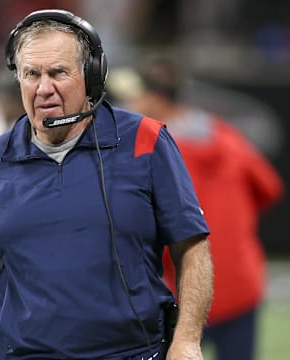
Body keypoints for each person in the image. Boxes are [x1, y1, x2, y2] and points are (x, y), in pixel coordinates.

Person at [0, 10, 213, 360]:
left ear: (91, 77)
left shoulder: (146, 141)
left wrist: (186, 340)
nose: (43, 88)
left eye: (58, 72)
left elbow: (193, 247)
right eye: (31, 74)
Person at [111, 55, 285, 360]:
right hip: (242, 280)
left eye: (134, 94)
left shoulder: (148, 155)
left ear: (156, 98)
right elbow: (269, 189)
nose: (128, 103)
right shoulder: (226, 135)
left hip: (188, 292)